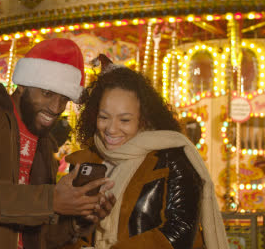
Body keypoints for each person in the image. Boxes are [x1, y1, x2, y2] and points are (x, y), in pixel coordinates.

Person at [0, 39, 116, 249]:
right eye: (47, 93)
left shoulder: (45, 145)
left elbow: (38, 236)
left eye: (64, 99)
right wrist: (51, 200)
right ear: (23, 85)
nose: (56, 107)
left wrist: (79, 218)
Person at [64, 55, 228, 249]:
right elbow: (68, 231)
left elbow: (180, 231)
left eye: (124, 120)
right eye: (104, 117)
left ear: (144, 119)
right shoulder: (87, 162)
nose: (111, 129)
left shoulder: (170, 158)